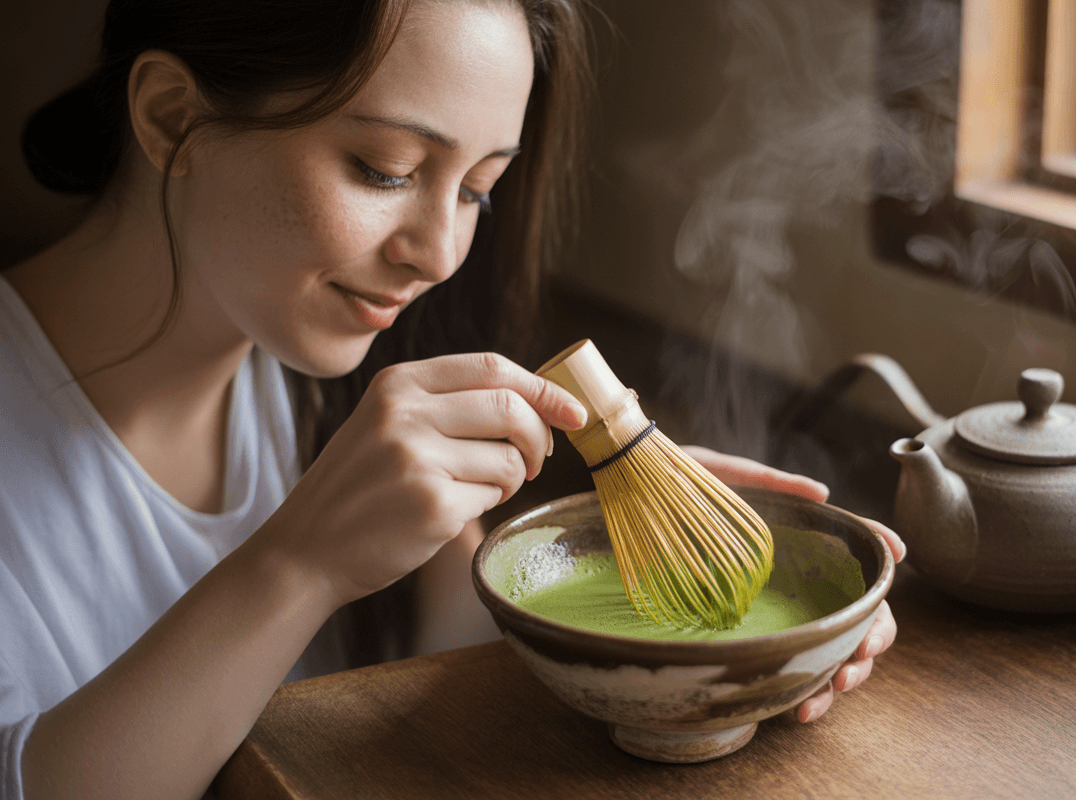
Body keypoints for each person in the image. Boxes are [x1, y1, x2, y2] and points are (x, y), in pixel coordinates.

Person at [0, 1, 905, 797]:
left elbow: (456, 650)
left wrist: (653, 595)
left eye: (478, 189)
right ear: (173, 117)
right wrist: (299, 563)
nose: (437, 253)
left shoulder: (331, 364)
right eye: (384, 168)